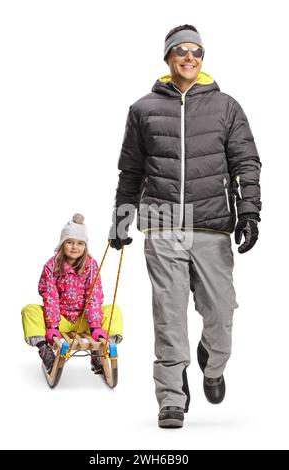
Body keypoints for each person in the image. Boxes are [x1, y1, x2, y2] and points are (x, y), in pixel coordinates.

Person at [108, 25, 262, 428]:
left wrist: (248, 212)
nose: (189, 57)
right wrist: (122, 217)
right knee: (169, 315)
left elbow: (246, 162)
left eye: (196, 50)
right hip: (160, 226)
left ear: (202, 57)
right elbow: (131, 170)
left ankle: (213, 363)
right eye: (180, 50)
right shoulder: (143, 109)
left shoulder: (226, 106)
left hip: (211, 224)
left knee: (221, 311)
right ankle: (171, 396)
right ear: (168, 58)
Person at [22, 213, 123, 374]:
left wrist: (95, 326)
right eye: (70, 242)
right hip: (60, 319)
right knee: (29, 310)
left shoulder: (91, 266)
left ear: (85, 246)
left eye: (80, 243)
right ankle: (45, 351)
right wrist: (53, 325)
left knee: (114, 311)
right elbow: (50, 296)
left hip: (85, 320)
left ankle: (100, 352)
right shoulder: (51, 266)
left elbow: (94, 296)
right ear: (62, 244)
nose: (75, 247)